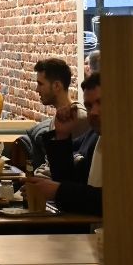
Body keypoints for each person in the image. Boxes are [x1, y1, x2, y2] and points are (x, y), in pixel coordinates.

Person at [27, 72, 103, 215]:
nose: (93, 112)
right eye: (89, 105)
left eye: (101, 102)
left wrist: (58, 191)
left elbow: (118, 199)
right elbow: (68, 182)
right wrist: (62, 135)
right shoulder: (94, 136)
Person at [14, 58, 89, 171]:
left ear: (57, 86)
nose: (37, 89)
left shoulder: (78, 117)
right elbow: (50, 162)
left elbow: (67, 170)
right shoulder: (57, 118)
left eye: (40, 84)